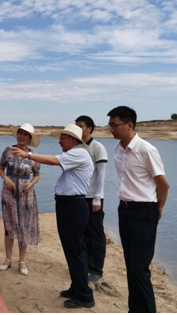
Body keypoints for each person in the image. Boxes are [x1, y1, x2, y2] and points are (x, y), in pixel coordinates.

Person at [11, 124, 95, 309]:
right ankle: (77, 287)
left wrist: (28, 155)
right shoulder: (75, 155)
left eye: (62, 138)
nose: (59, 142)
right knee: (71, 249)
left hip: (73, 206)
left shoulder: (79, 153)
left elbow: (53, 160)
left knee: (75, 250)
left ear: (72, 139)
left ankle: (84, 296)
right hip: (69, 205)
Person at [107, 106, 170, 313]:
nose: (111, 129)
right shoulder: (118, 150)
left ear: (130, 125)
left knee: (139, 268)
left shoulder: (146, 150)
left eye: (115, 125)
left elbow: (163, 185)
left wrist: (159, 208)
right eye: (110, 125)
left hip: (145, 211)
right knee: (130, 265)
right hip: (125, 210)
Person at [0, 124, 42, 276]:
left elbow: (37, 174)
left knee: (24, 226)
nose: (22, 136)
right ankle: (8, 259)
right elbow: (0, 169)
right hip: (8, 192)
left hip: (26, 193)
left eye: (25, 134)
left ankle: (22, 261)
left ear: (30, 138)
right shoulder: (8, 151)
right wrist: (6, 179)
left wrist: (31, 183)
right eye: (20, 133)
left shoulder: (33, 155)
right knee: (8, 226)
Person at [75, 115, 108, 284]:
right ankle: (87, 265)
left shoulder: (97, 147)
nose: (78, 128)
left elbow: (101, 174)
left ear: (89, 129)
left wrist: (97, 198)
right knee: (84, 234)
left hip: (93, 198)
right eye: (76, 126)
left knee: (97, 235)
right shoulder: (78, 147)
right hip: (80, 196)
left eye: (80, 126)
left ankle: (97, 270)